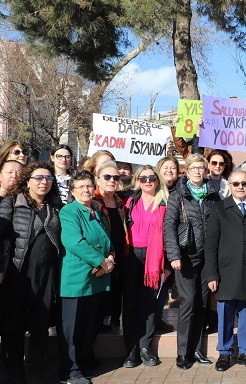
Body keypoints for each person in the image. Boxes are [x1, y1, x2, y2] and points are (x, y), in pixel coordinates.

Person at [205, 170, 246, 371]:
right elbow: (211, 244)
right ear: (230, 186)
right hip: (226, 272)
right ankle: (224, 353)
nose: (241, 187)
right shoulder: (219, 208)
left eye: (245, 183)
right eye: (236, 184)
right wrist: (212, 274)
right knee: (225, 313)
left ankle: (245, 352)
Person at [0, 163, 62, 383]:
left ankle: (37, 373)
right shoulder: (12, 204)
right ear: (27, 181)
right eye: (38, 177)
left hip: (46, 277)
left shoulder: (56, 207)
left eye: (48, 178)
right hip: (18, 275)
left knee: (40, 327)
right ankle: (14, 372)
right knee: (13, 327)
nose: (43, 182)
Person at [164, 154, 222, 370]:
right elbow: (168, 226)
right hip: (186, 257)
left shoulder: (214, 195)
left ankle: (196, 349)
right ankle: (182, 352)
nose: (198, 171)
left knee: (202, 303)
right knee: (188, 303)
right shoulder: (178, 195)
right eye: (193, 168)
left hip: (208, 257)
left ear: (206, 172)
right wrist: (174, 255)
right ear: (186, 171)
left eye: (201, 168)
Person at [58, 170, 114, 384]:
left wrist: (110, 258)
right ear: (72, 191)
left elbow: (106, 241)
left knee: (87, 326)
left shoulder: (96, 211)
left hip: (96, 279)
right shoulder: (69, 212)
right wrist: (102, 262)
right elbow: (74, 242)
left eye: (89, 186)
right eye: (80, 186)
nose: (85, 190)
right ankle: (70, 373)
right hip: (76, 279)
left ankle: (82, 363)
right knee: (71, 330)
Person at [121, 165, 168, 368]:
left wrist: (166, 263)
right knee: (130, 304)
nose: (148, 181)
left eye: (151, 177)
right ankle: (131, 349)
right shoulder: (130, 201)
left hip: (154, 257)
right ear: (137, 181)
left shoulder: (165, 202)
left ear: (157, 180)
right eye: (143, 178)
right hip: (131, 256)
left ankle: (145, 348)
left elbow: (170, 235)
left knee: (148, 306)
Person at [92, 162, 128, 332]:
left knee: (117, 288)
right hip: (101, 255)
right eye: (107, 177)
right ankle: (98, 322)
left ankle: (114, 319)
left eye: (116, 177)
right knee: (100, 294)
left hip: (120, 251)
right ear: (97, 179)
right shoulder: (92, 200)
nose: (112, 180)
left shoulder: (120, 201)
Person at [154, 156, 179, 333]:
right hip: (155, 247)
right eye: (166, 167)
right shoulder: (153, 190)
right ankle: (153, 318)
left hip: (172, 247)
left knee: (165, 285)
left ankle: (157, 316)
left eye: (173, 168)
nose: (169, 171)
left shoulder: (180, 190)